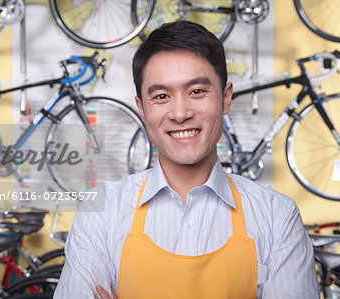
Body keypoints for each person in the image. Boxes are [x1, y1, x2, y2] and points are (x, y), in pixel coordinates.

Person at [53, 20, 319, 299]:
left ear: (226, 98)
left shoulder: (277, 217)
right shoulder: (102, 212)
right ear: (142, 108)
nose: (180, 113)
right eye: (161, 96)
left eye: (196, 91)